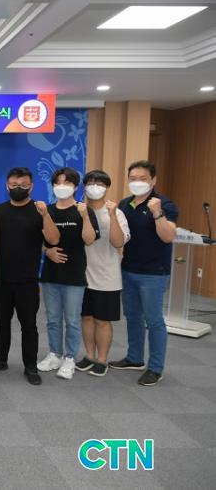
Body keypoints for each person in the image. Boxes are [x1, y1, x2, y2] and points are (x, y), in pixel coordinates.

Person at [0, 167, 59, 385]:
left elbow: (53, 239)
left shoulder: (40, 210)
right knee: (1, 322)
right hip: (1, 278)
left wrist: (45, 215)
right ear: (7, 186)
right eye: (14, 185)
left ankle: (30, 366)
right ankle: (0, 359)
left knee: (29, 325)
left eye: (24, 185)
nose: (19, 188)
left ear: (31, 186)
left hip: (28, 279)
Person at [110, 160, 178, 386]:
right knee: (133, 316)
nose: (137, 182)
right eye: (133, 179)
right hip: (129, 268)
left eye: (143, 179)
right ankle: (134, 358)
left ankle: (156, 368)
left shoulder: (165, 204)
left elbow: (168, 236)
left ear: (153, 180)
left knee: (153, 320)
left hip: (154, 273)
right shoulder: (125, 203)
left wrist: (157, 213)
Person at [39, 167, 99, 380]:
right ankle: (55, 354)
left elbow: (89, 239)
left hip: (74, 275)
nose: (61, 186)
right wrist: (47, 251)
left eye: (67, 182)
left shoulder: (84, 210)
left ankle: (70, 358)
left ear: (75, 186)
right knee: (53, 319)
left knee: (72, 320)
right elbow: (36, 240)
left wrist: (85, 217)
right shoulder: (46, 210)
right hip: (50, 274)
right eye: (58, 182)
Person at [75, 170, 130, 377]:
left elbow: (118, 242)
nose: (94, 187)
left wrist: (113, 215)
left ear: (107, 188)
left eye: (99, 183)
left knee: (102, 321)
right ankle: (89, 355)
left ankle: (102, 359)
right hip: (81, 275)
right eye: (90, 183)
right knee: (86, 318)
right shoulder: (79, 210)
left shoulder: (117, 212)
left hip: (107, 276)